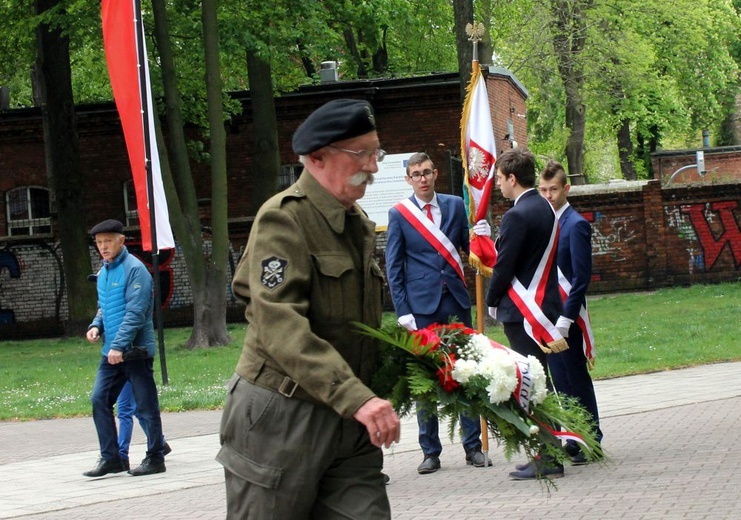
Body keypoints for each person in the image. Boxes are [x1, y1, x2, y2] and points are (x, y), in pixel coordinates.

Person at [217, 99, 401, 519]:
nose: (373, 166)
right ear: (317, 157)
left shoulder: (356, 222)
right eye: (363, 153)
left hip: (349, 419)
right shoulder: (283, 220)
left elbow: (355, 328)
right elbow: (278, 323)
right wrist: (356, 397)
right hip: (281, 418)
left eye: (377, 153)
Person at [385, 152, 491, 474]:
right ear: (408, 179)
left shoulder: (455, 206)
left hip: (456, 300)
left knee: (466, 373)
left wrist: (481, 235)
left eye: (427, 172)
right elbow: (394, 267)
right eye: (415, 174)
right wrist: (403, 310)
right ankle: (430, 451)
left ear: (435, 175)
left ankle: (473, 446)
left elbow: (467, 249)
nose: (422, 178)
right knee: (425, 380)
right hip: (420, 307)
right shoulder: (399, 214)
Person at [484, 148, 566, 480]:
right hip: (541, 306)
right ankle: (549, 450)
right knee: (540, 380)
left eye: (500, 179)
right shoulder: (544, 207)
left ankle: (547, 455)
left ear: (512, 178)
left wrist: (490, 300)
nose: (499, 186)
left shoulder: (518, 215)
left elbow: (505, 265)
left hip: (522, 311)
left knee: (530, 383)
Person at [83, 219, 167, 477]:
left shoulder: (135, 269)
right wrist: (97, 324)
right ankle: (112, 459)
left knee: (145, 406)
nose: (103, 247)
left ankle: (155, 457)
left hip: (134, 352)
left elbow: (136, 312)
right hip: (112, 352)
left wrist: (118, 345)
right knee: (99, 400)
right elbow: (105, 306)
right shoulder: (105, 272)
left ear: (121, 240)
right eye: (99, 243)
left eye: (108, 241)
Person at [539, 160, 602, 464]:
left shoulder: (575, 224)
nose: (548, 195)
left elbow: (580, 277)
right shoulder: (546, 223)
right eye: (543, 190)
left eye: (553, 189)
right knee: (560, 379)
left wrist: (566, 318)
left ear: (566, 188)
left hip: (568, 317)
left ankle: (593, 437)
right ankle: (575, 438)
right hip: (548, 316)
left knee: (575, 378)